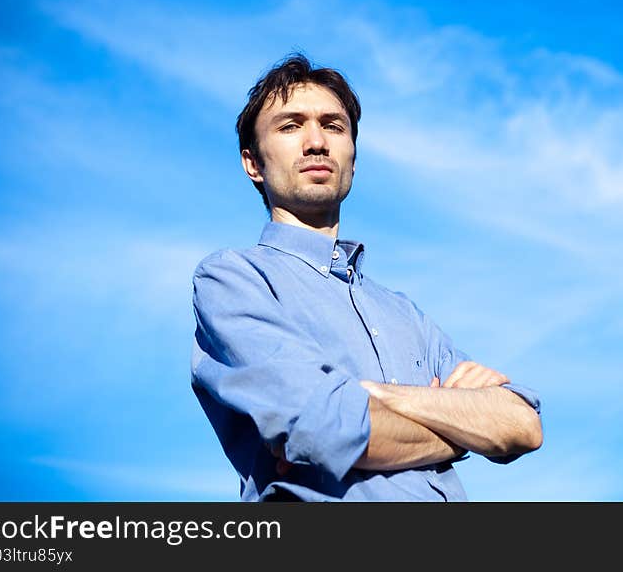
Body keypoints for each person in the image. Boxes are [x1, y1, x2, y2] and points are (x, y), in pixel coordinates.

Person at [190, 53, 542, 501]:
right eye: (290, 126)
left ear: (352, 159)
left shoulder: (403, 314)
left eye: (333, 126)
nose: (316, 142)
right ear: (253, 163)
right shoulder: (235, 280)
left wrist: (381, 397)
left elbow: (523, 425)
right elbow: (321, 429)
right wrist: (461, 431)